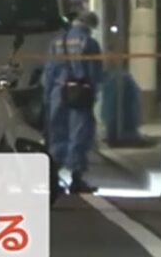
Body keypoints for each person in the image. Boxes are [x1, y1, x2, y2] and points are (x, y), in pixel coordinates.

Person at [45, 10, 104, 194]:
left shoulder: (57, 42)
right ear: (90, 25)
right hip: (80, 92)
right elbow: (94, 72)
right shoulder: (89, 42)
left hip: (58, 92)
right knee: (80, 134)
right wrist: (95, 93)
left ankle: (53, 179)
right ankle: (76, 179)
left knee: (57, 133)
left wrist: (48, 95)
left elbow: (49, 70)